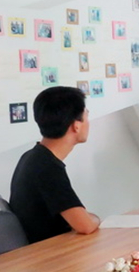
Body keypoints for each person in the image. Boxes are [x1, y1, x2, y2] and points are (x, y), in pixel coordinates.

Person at [9, 86, 100, 243]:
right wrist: (96, 218)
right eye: (86, 116)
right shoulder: (47, 169)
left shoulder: (32, 157)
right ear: (76, 125)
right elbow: (85, 226)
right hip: (49, 256)